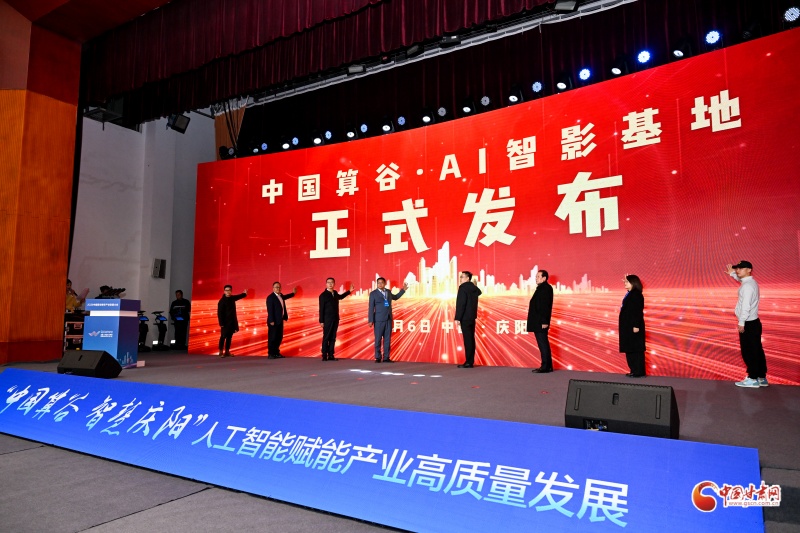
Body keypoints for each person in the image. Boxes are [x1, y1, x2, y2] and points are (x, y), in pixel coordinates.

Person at [726, 261, 768, 388]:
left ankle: (752, 378)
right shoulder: (750, 283)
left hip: (748, 323)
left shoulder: (747, 287)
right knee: (757, 350)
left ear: (749, 270)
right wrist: (732, 274)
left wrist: (741, 321)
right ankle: (761, 377)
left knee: (749, 351)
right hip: (753, 322)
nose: (738, 270)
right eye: (737, 268)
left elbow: (746, 305)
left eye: (741, 268)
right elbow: (741, 281)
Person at [368, 278, 408, 363]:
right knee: (378, 339)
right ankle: (378, 357)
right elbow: (371, 307)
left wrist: (403, 290)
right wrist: (370, 320)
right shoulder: (373, 294)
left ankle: (386, 357)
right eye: (378, 283)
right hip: (378, 320)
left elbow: (395, 297)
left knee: (387, 339)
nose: (380, 284)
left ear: (385, 283)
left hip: (388, 319)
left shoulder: (388, 292)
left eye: (382, 283)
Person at [318, 278, 353, 361]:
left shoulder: (335, 293)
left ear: (334, 284)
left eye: (332, 282)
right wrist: (321, 321)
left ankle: (331, 355)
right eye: (328, 282)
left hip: (335, 318)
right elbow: (321, 309)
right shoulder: (323, 295)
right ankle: (324, 355)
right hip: (327, 319)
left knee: (333, 337)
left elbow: (341, 297)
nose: (330, 284)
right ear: (326, 284)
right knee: (326, 337)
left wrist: (349, 291)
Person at [619, 274, 646, 378]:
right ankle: (634, 370)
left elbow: (637, 311)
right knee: (630, 348)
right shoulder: (630, 294)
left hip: (633, 327)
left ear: (633, 283)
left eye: (627, 282)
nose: (625, 284)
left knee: (636, 349)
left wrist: (636, 325)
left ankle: (638, 371)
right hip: (628, 326)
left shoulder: (636, 295)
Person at [528, 270, 554, 373]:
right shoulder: (541, 288)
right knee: (542, 343)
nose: (536, 278)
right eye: (536, 276)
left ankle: (545, 366)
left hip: (541, 322)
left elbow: (545, 306)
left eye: (538, 276)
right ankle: (547, 366)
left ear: (544, 278)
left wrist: (544, 321)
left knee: (543, 344)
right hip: (538, 321)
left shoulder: (546, 288)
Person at [455, 271, 482, 368]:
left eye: (462, 277)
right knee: (471, 339)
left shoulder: (463, 288)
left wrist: (458, 317)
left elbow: (461, 304)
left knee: (467, 340)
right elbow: (479, 292)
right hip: (472, 317)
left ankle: (468, 362)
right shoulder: (474, 288)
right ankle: (470, 361)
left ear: (467, 278)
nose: (460, 279)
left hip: (465, 318)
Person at [266, 282, 297, 359]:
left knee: (279, 337)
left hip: (280, 320)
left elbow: (286, 297)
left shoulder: (281, 296)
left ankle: (276, 352)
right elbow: (270, 310)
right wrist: (271, 320)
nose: (278, 288)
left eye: (279, 287)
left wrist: (293, 293)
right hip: (273, 321)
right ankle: (271, 354)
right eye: (276, 287)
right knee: (272, 338)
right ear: (273, 288)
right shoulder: (270, 297)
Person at [217, 285, 247, 358]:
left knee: (229, 337)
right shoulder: (222, 301)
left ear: (231, 291)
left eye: (229, 290)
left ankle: (227, 351)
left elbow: (238, 296)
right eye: (226, 290)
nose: (228, 291)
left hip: (232, 322)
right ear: (224, 291)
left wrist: (244, 294)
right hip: (224, 323)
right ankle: (220, 351)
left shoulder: (232, 298)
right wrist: (221, 323)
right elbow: (219, 313)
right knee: (223, 336)